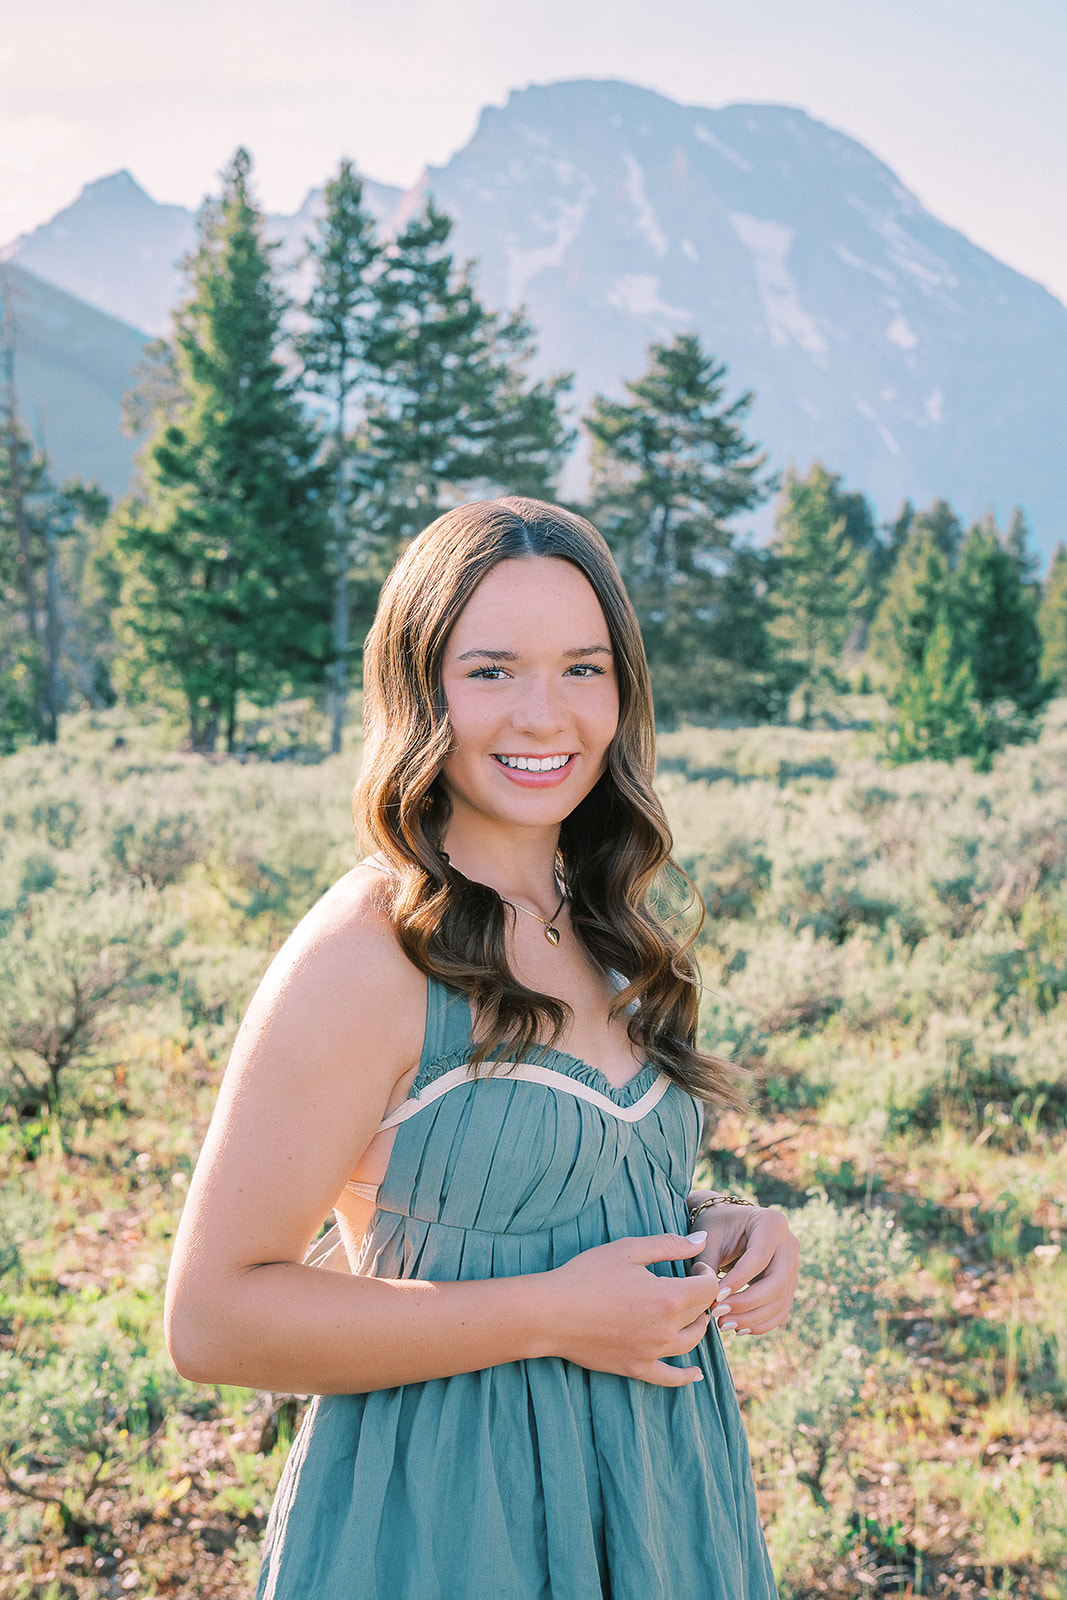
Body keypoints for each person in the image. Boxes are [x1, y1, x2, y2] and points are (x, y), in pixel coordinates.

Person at [165, 496, 799, 1600]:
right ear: (420, 689)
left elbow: (552, 1193)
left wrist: (713, 1232)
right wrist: (550, 1311)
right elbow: (210, 1318)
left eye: (582, 668)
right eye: (492, 670)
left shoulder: (605, 915)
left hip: (659, 1503)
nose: (543, 716)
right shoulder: (368, 950)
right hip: (449, 1524)